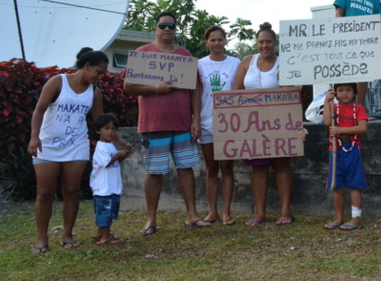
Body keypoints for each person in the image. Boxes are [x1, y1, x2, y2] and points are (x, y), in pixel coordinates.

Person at [122, 12, 209, 236]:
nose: (167, 29)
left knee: (186, 168)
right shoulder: (143, 54)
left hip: (181, 124)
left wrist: (196, 120)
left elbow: (195, 90)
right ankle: (151, 219)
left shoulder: (184, 55)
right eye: (163, 26)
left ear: (175, 29)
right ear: (156, 29)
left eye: (171, 26)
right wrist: (156, 89)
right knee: (155, 172)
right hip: (153, 125)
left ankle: (192, 215)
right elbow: (128, 87)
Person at [28, 48, 119, 254]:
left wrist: (118, 142)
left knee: (71, 192)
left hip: (76, 145)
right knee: (44, 193)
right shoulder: (57, 82)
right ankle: (42, 239)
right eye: (99, 72)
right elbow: (39, 110)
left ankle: (67, 235)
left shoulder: (94, 93)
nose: (100, 77)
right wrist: (34, 137)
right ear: (87, 67)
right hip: (48, 145)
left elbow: (100, 122)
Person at [233, 22, 296, 227]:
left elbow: (291, 94)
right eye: (261, 42)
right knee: (258, 168)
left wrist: (283, 80)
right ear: (256, 43)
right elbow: (235, 94)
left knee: (281, 165)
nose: (264, 45)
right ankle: (260, 213)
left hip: (278, 122)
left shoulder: (284, 64)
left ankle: (285, 211)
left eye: (268, 41)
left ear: (275, 43)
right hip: (253, 124)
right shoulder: (246, 62)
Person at [197, 26, 241, 226]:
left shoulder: (235, 63)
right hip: (206, 122)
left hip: (229, 123)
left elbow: (240, 90)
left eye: (220, 39)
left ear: (225, 41)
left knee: (227, 168)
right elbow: (195, 94)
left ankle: (226, 212)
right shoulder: (198, 65)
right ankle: (212, 211)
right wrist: (195, 119)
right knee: (211, 169)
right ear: (206, 42)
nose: (216, 43)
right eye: (212, 40)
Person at [333, 0, 381, 109]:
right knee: (345, 73)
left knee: (363, 75)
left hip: (365, 42)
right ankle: (343, 110)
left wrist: (380, 44)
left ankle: (359, 109)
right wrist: (340, 35)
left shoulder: (374, 0)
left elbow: (376, 24)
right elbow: (339, 13)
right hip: (346, 39)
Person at [323, 82, 369, 231]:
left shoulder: (359, 109)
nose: (344, 94)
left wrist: (340, 130)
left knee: (354, 185)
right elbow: (326, 122)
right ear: (335, 93)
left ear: (355, 93)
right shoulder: (332, 108)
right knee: (337, 186)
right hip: (335, 151)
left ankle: (356, 219)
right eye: (340, 90)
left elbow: (362, 127)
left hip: (352, 149)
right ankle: (338, 217)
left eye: (348, 90)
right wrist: (326, 101)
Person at [90, 114, 132, 246]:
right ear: (98, 131)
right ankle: (105, 237)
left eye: (113, 129)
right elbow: (106, 162)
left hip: (111, 185)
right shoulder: (101, 147)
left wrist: (124, 155)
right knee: (105, 211)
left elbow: (115, 161)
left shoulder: (110, 145)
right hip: (103, 187)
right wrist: (119, 154)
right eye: (106, 128)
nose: (110, 132)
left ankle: (100, 233)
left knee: (108, 210)